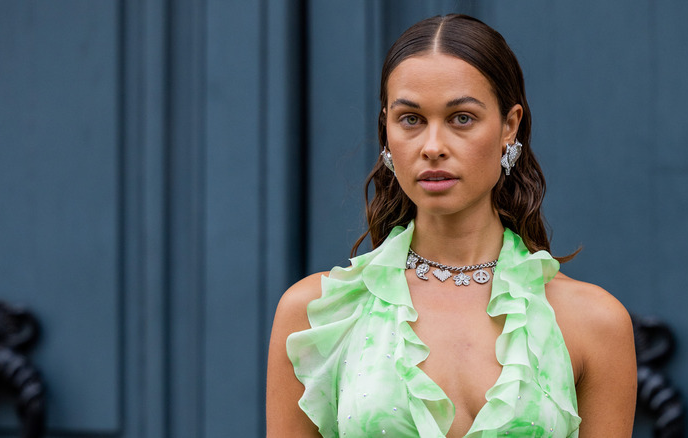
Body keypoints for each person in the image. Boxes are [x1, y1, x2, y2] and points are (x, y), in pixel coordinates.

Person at [267, 14, 636, 438]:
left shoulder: (593, 322)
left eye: (461, 118)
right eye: (411, 119)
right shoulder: (316, 315)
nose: (433, 147)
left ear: (509, 127)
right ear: (386, 130)